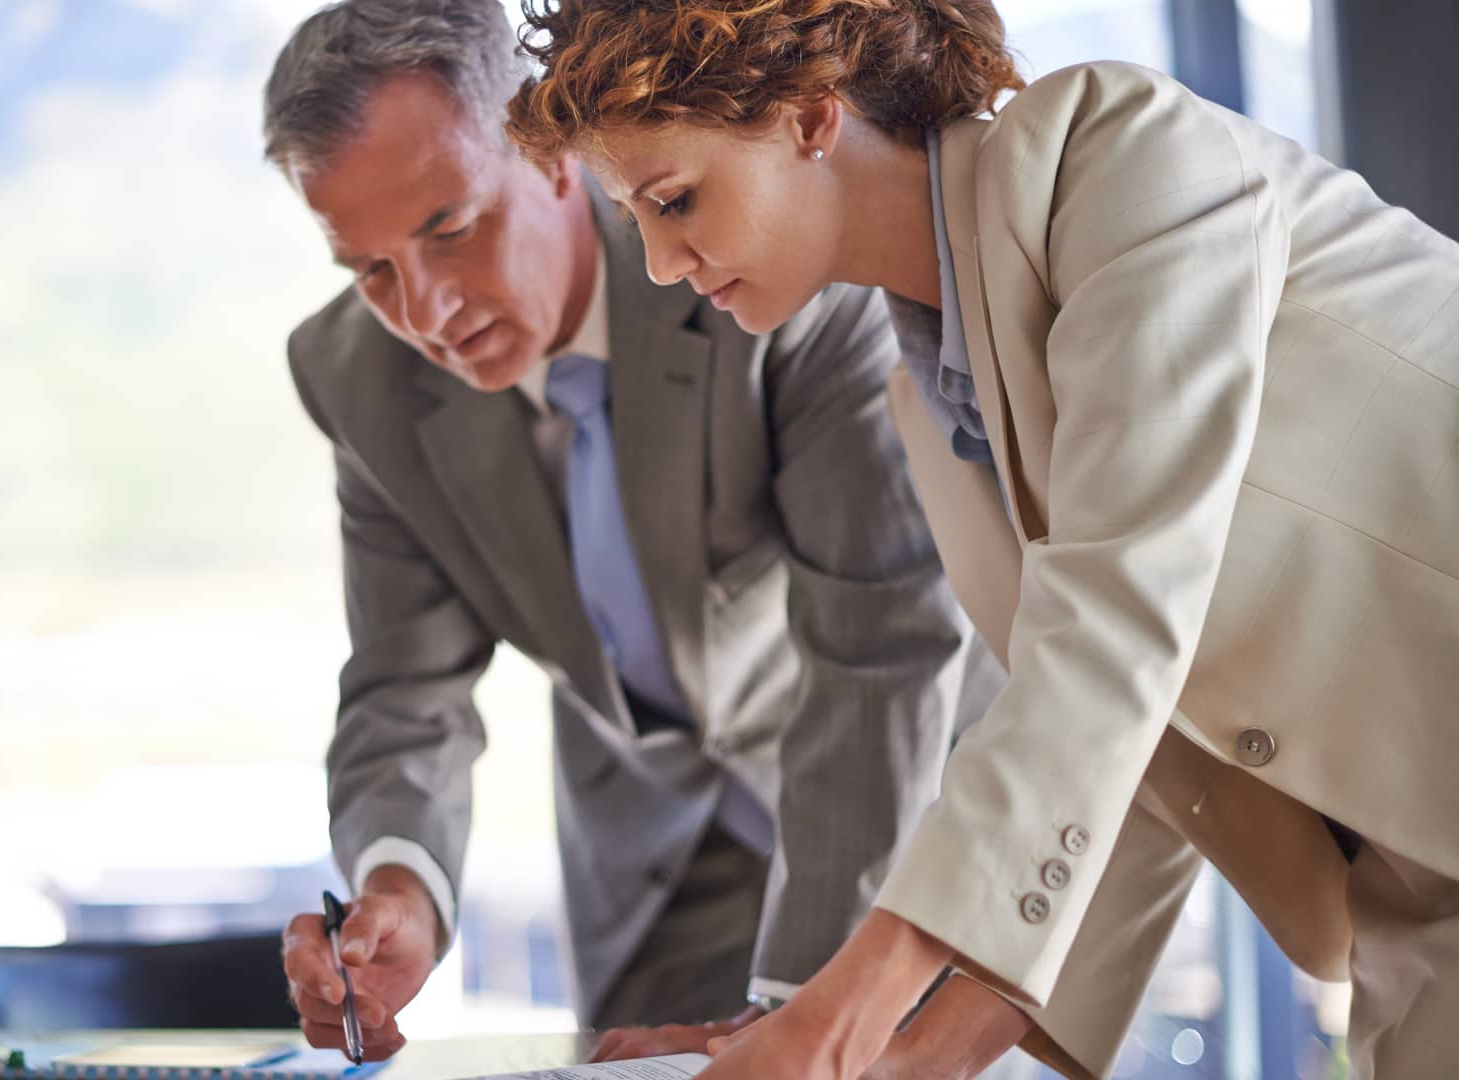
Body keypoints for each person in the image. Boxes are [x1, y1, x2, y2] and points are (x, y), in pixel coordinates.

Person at [507, 1, 1459, 1077]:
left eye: (674, 200)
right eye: (635, 221)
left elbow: (1110, 641)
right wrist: (888, 1051)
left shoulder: (1122, 157)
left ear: (810, 118)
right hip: (1416, 911)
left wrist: (838, 1028)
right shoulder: (931, 409)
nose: (661, 266)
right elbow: (1127, 767)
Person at [261, 0, 997, 1065]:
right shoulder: (353, 376)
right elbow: (402, 687)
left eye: (451, 229)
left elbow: (881, 643)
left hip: (899, 813)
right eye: (370, 271)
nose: (425, 311)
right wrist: (400, 891)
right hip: (647, 874)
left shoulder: (755, 253)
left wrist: (804, 1006)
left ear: (551, 148)